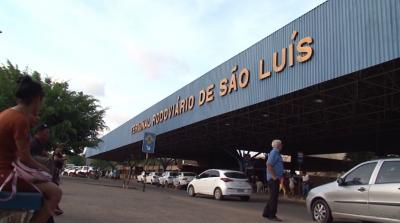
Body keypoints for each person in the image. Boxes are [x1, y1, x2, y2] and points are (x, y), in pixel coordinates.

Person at [0, 75, 62, 223]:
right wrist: (43, 168)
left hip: (5, 172)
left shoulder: (7, 114)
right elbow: (24, 158)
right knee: (55, 192)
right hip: (5, 175)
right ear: (37, 99)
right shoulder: (20, 120)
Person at [262, 139, 284, 221]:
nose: (282, 146)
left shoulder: (276, 153)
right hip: (273, 179)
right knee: (274, 198)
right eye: (281, 144)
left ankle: (266, 213)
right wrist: (274, 176)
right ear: (277, 145)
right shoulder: (274, 152)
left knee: (272, 197)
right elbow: (269, 164)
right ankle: (272, 215)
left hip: (274, 178)